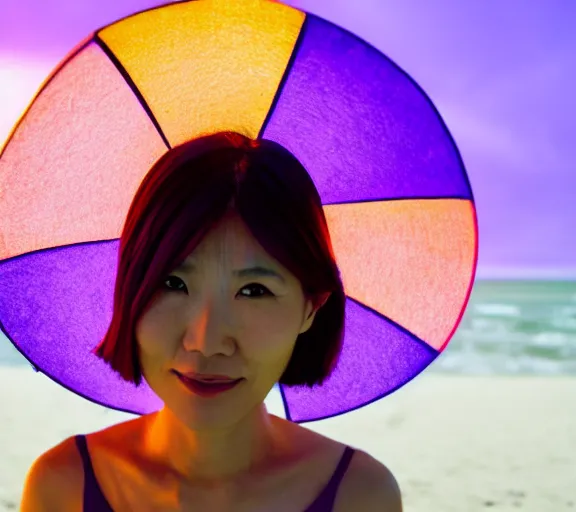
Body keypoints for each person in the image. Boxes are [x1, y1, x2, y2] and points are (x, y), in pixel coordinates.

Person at [19, 132, 403, 511]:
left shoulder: (360, 497)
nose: (206, 341)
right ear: (130, 289)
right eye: (172, 283)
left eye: (254, 290)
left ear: (312, 307)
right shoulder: (63, 487)